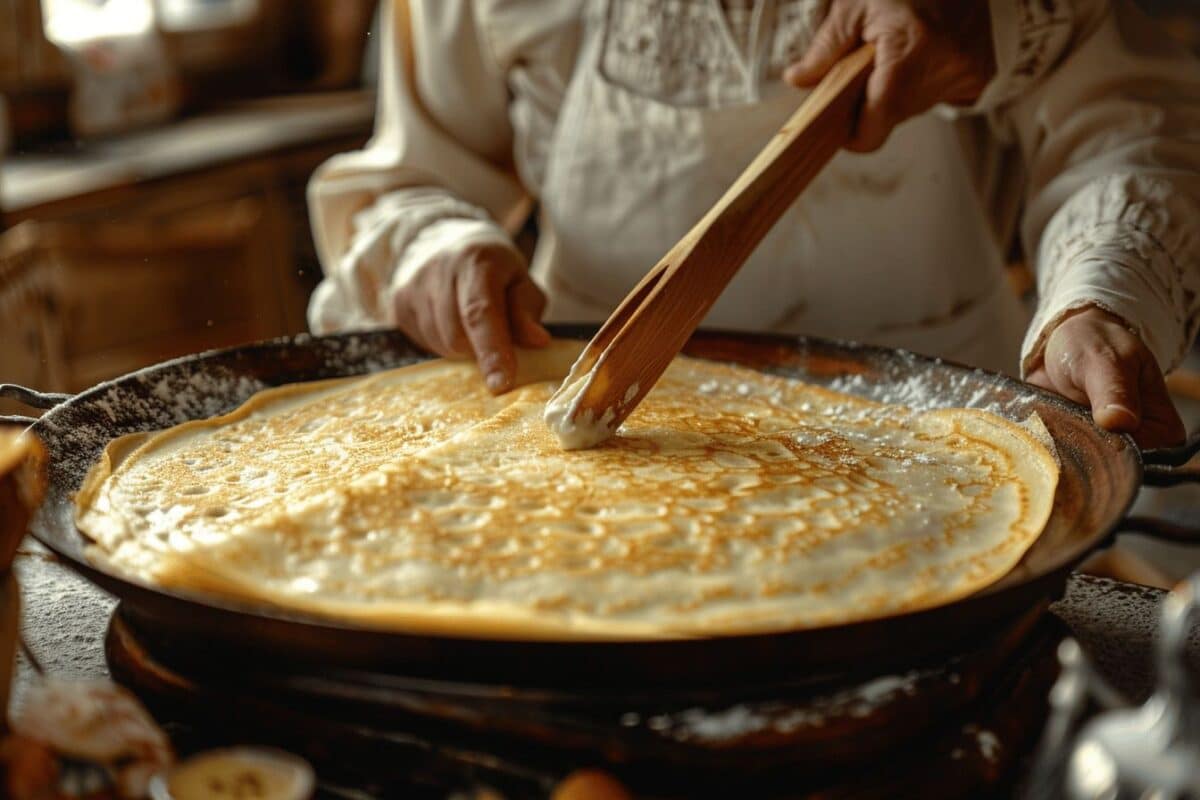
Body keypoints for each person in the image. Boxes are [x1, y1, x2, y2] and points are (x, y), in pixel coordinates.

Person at [306, 0, 1200, 448]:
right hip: (591, 443)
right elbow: (416, 176)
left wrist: (1101, 289)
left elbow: (1124, 117)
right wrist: (435, 250)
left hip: (949, 431)